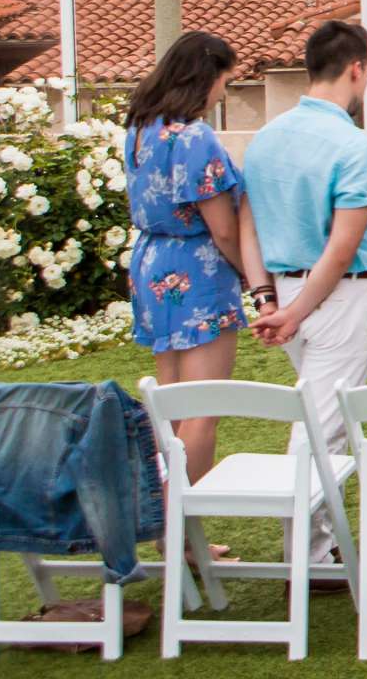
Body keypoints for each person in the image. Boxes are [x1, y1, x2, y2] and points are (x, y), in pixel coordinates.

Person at [243, 19, 367, 572]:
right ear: (357, 69)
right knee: (321, 426)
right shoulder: (354, 146)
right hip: (336, 299)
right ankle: (304, 555)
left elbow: (248, 227)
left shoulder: (265, 139)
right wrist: (295, 313)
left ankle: (320, 547)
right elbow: (343, 247)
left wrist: (268, 302)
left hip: (282, 291)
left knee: (326, 418)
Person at [126, 31, 267, 488]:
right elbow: (222, 226)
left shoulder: (141, 128)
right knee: (202, 411)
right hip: (197, 271)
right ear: (204, 78)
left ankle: (167, 525)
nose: (224, 92)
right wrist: (251, 276)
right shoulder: (194, 138)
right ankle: (180, 531)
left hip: (151, 263)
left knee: (171, 407)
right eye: (224, 80)